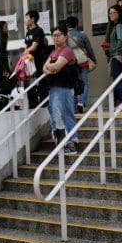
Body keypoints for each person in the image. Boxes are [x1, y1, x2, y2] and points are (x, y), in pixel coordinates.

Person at [43, 25, 79, 155]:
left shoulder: (67, 50)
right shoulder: (54, 52)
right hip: (54, 88)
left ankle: (72, 143)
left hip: (64, 88)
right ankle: (62, 141)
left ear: (65, 36)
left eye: (58, 35)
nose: (55, 38)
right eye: (54, 35)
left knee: (65, 114)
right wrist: (52, 68)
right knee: (55, 113)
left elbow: (56, 66)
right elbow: (45, 68)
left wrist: (52, 67)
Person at [65, 16, 97, 113]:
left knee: (73, 83)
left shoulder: (64, 37)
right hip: (82, 62)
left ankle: (74, 106)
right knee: (84, 83)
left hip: (70, 63)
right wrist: (93, 60)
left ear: (67, 26)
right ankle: (81, 102)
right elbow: (89, 49)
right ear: (77, 25)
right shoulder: (82, 35)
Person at [23, 10, 48, 108]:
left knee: (42, 83)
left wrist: (25, 52)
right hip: (30, 62)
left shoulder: (38, 30)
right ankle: (32, 104)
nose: (25, 20)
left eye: (26, 17)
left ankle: (44, 104)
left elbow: (34, 46)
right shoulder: (28, 31)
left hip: (39, 61)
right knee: (29, 83)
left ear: (32, 19)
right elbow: (27, 46)